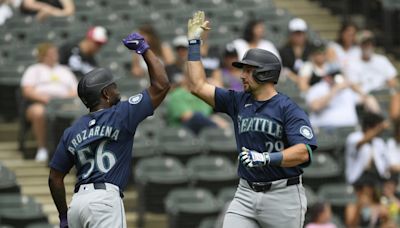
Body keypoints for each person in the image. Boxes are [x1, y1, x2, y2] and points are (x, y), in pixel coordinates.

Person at [186, 11, 317, 227]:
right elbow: (197, 86)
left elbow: (304, 151)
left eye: (248, 71)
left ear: (265, 74)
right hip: (245, 193)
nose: (241, 76)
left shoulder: (288, 109)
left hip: (283, 196)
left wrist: (266, 158)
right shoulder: (237, 100)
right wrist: (194, 43)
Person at [48, 32, 170, 228]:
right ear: (105, 93)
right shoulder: (121, 114)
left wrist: (64, 216)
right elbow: (162, 85)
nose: (117, 89)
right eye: (113, 86)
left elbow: (55, 178)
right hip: (104, 201)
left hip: (77, 204)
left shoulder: (72, 130)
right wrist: (144, 50)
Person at [21, 42, 77, 162]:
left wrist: (62, 99)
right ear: (42, 56)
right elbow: (27, 90)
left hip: (64, 104)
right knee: (38, 112)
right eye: (50, 54)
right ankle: (42, 149)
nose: (54, 56)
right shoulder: (33, 69)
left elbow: (75, 90)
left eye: (55, 53)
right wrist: (46, 99)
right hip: (41, 104)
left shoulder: (64, 70)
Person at [166, 69, 229, 135]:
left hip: (203, 131)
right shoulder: (177, 94)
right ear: (186, 76)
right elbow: (186, 116)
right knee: (197, 117)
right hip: (182, 132)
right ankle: (217, 132)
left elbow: (209, 115)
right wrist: (215, 123)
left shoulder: (204, 95)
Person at [346, 30, 398, 94]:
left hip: (383, 94)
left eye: (371, 44)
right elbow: (353, 85)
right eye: (365, 44)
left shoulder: (382, 60)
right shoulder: (352, 63)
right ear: (359, 45)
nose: (369, 46)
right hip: (364, 97)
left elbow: (393, 80)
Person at [345, 112, 390, 184]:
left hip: (378, 177)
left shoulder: (379, 142)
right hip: (358, 177)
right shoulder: (354, 137)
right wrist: (380, 128)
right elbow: (360, 143)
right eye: (377, 127)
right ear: (368, 127)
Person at [279, 18, 315, 83]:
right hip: (289, 83)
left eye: (301, 33)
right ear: (290, 35)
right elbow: (284, 69)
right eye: (296, 34)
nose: (299, 37)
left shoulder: (312, 49)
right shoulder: (283, 51)